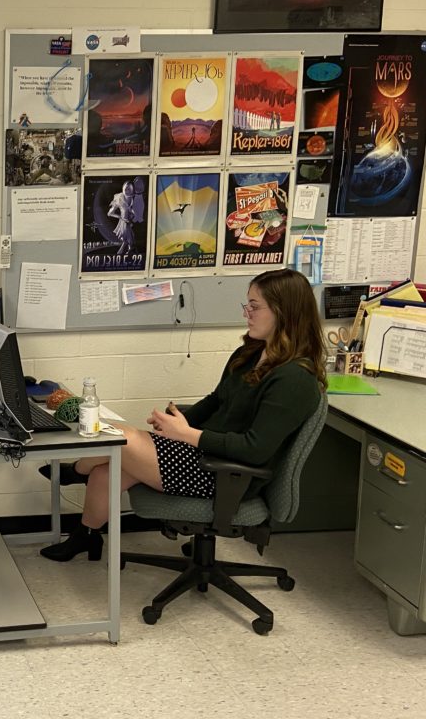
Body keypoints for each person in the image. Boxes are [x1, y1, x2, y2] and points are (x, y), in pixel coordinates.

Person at [38, 267, 326, 562]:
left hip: (227, 474)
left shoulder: (295, 380)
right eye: (247, 305)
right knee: (108, 462)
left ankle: (75, 471)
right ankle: (85, 536)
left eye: (255, 306)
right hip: (202, 453)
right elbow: (217, 400)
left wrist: (185, 433)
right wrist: (178, 420)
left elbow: (254, 449)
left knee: (119, 438)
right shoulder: (252, 353)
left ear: (284, 312)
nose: (246, 313)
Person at [107, 181, 137, 256]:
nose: (127, 191)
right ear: (123, 188)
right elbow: (110, 213)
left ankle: (120, 256)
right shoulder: (119, 199)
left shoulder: (134, 198)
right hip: (124, 224)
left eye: (129, 189)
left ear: (132, 190)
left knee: (128, 243)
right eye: (126, 188)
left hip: (129, 223)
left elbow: (133, 213)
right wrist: (122, 218)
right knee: (130, 243)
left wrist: (132, 217)